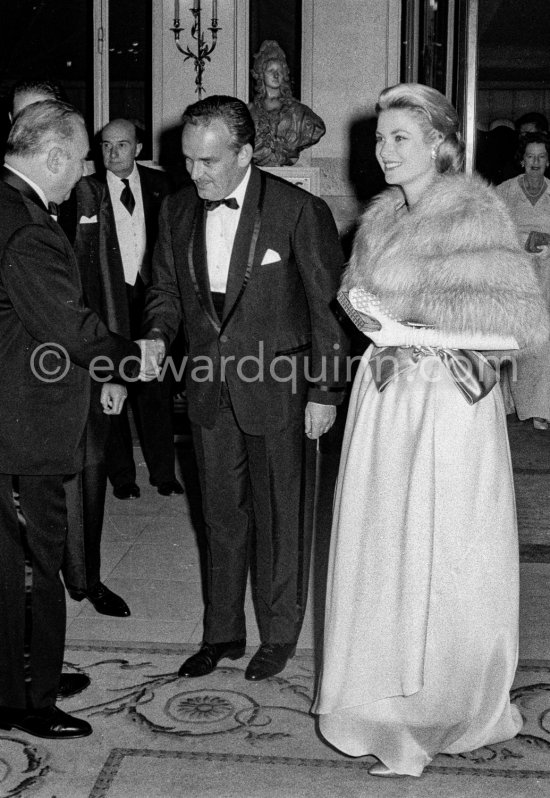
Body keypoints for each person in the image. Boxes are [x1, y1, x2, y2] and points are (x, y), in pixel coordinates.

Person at [312, 83, 550, 777]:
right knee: (384, 549)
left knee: (440, 551)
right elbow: (365, 309)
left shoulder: (474, 210)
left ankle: (438, 706)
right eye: (379, 139)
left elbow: (517, 326)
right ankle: (382, 702)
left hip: (446, 406)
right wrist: (370, 322)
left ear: (440, 144)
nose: (384, 152)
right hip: (387, 403)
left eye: (400, 139)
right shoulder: (381, 217)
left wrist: (415, 332)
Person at [141, 95, 348, 682]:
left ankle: (278, 636)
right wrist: (156, 334)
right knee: (221, 520)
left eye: (208, 161)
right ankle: (223, 633)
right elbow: (164, 289)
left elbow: (326, 311)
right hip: (208, 388)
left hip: (280, 390)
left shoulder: (298, 211)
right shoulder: (178, 211)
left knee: (282, 518)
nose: (195, 172)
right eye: (188, 160)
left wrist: (324, 392)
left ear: (246, 153)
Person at [0, 99, 143, 738]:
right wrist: (130, 360)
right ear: (54, 156)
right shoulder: (27, 226)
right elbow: (70, 326)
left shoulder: (8, 206)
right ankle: (29, 699)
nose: (81, 172)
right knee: (35, 557)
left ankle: (25, 672)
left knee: (13, 560)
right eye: (80, 158)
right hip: (22, 425)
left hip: (12, 413)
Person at [9, 81, 133, 618]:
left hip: (77, 367)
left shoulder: (88, 194)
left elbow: (104, 284)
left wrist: (112, 370)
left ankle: (83, 578)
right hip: (28, 381)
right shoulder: (18, 205)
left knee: (84, 477)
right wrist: (129, 357)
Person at [91, 118, 183, 500]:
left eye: (122, 145)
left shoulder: (162, 187)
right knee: (112, 385)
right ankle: (122, 477)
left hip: (151, 302)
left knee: (154, 389)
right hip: (110, 302)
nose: (113, 153)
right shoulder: (87, 191)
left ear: (138, 149)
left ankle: (164, 474)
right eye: (107, 146)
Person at [496, 133, 550, 430]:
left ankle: (540, 408)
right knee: (512, 337)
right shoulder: (504, 192)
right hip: (513, 275)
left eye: (541, 157)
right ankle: (506, 402)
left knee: (543, 340)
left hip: (546, 276)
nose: (536, 162)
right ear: (522, 159)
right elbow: (490, 230)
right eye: (531, 156)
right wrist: (516, 243)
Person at [248, 40, 325, 167]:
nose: (276, 75)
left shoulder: (299, 111)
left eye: (280, 71)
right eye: (270, 70)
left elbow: (317, 129)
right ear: (261, 75)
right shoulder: (250, 111)